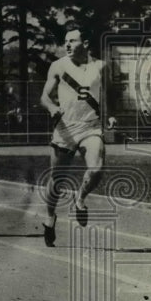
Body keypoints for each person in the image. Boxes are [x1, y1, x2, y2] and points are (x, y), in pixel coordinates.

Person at [39, 23, 116, 247]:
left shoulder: (101, 67)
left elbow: (109, 96)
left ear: (86, 43)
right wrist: (52, 108)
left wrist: (110, 115)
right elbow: (44, 96)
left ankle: (80, 199)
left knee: (97, 168)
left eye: (73, 40)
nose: (67, 44)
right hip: (65, 129)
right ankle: (50, 218)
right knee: (57, 181)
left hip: (90, 127)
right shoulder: (58, 66)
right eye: (66, 41)